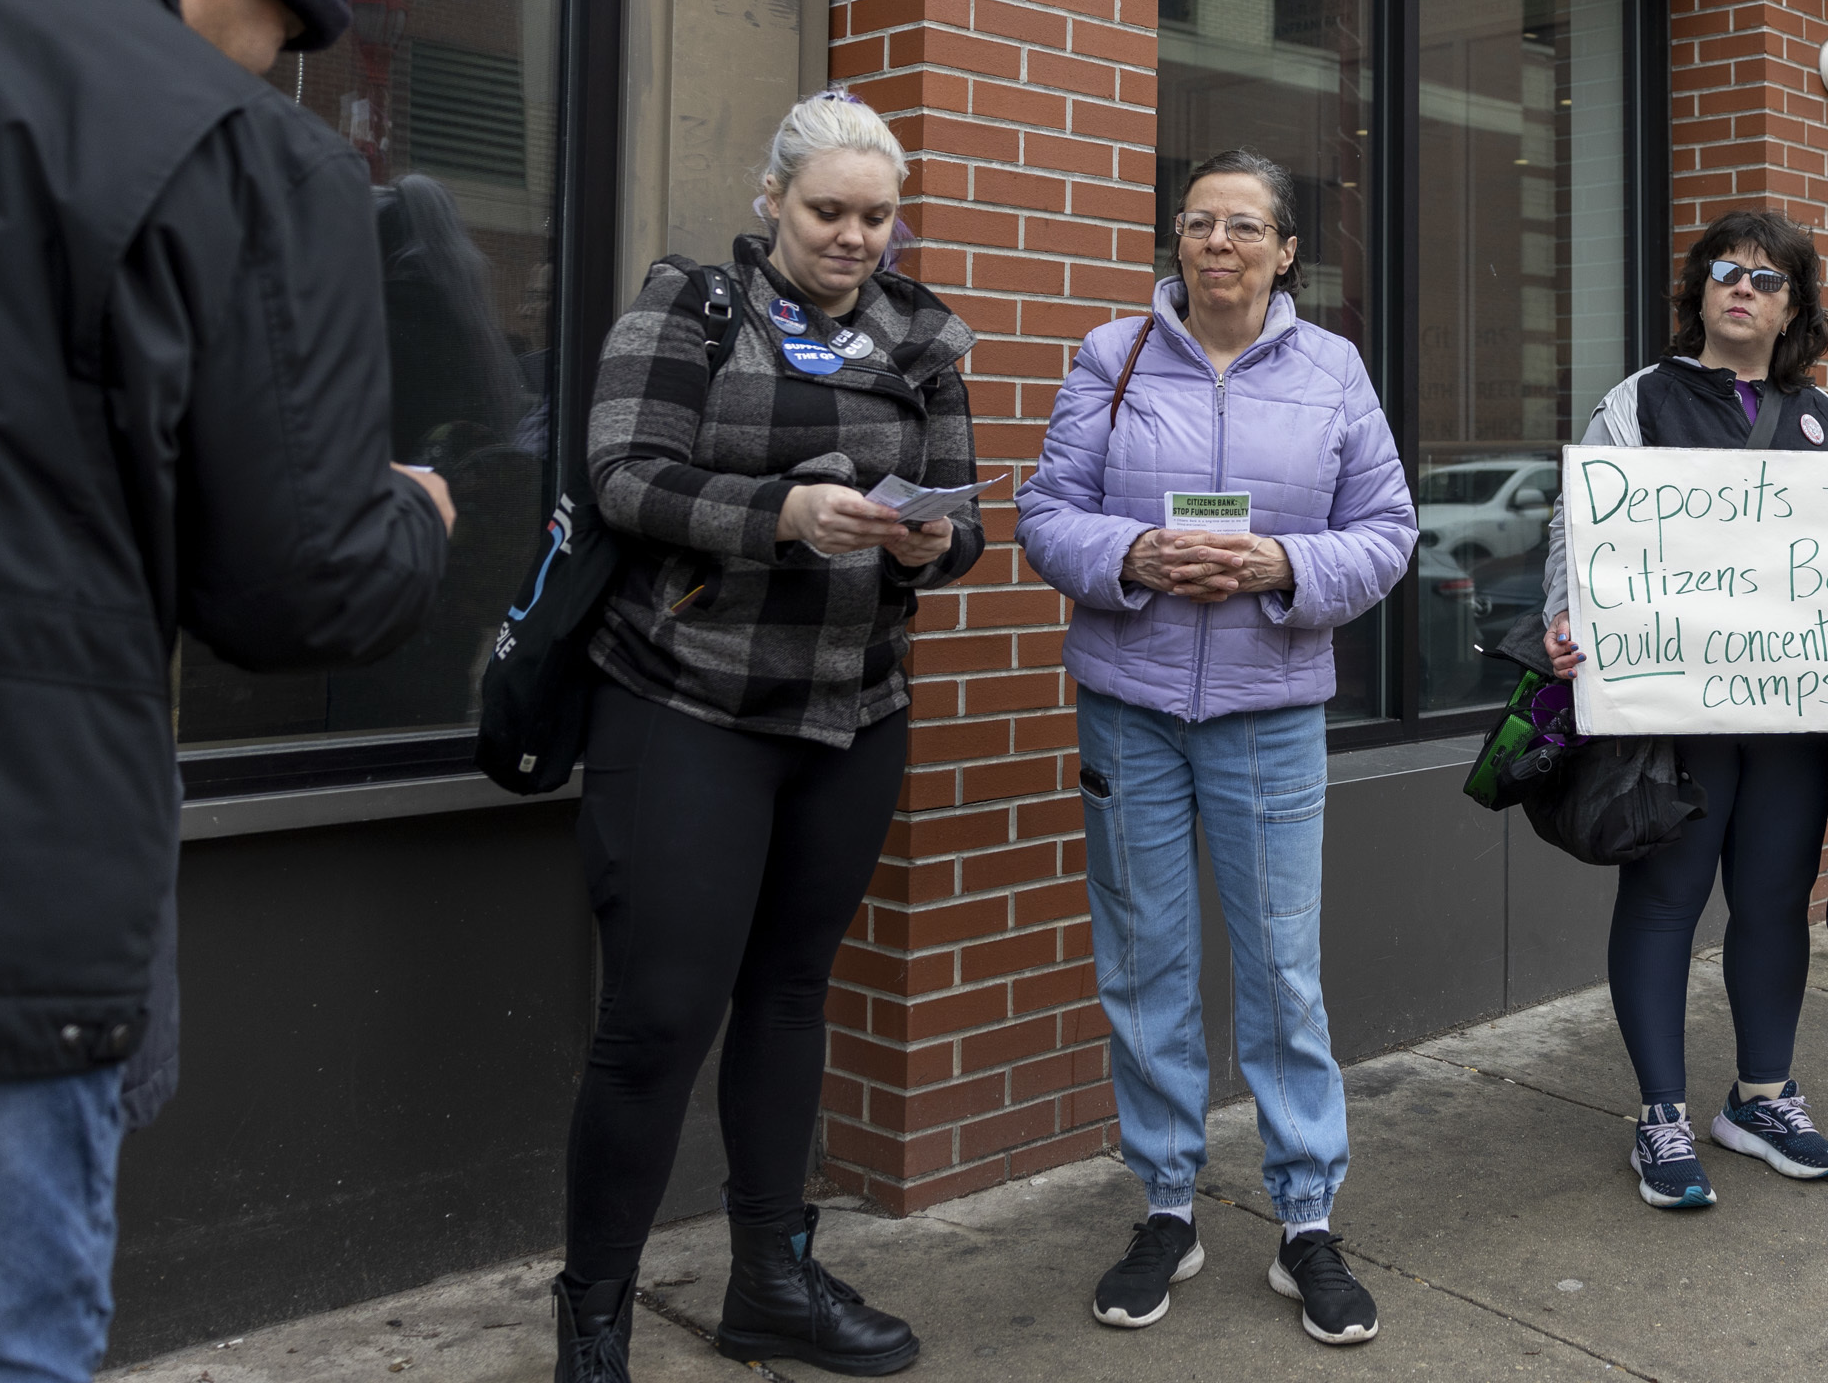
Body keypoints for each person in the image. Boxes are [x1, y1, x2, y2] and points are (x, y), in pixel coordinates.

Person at [0, 0, 456, 1382]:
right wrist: (421, 515)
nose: (283, 70)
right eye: (285, 26)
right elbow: (305, 591)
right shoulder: (228, 140)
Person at [556, 90, 984, 1380]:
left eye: (876, 215)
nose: (855, 237)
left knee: (793, 994)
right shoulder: (692, 307)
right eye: (828, 211)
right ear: (773, 202)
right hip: (687, 701)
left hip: (853, 710)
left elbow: (962, 522)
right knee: (658, 1017)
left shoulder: (920, 333)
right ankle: (594, 1313)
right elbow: (623, 473)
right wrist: (783, 516)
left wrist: (929, 538)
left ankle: (770, 1282)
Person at [1014, 149, 1415, 1348]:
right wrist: (1131, 555)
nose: (1220, 243)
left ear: (1286, 249)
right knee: (1144, 962)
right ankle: (1168, 1206)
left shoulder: (1333, 369)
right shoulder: (1112, 353)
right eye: (1199, 223)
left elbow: (1388, 531)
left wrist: (1284, 565)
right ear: (1177, 242)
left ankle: (1305, 1219)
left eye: (1246, 226)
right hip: (1129, 705)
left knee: (1283, 969)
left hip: (1269, 709)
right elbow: (1044, 512)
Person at [1540, 210, 1828, 1213]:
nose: (1742, 289)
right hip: (1677, 724)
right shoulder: (1640, 402)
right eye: (1725, 273)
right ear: (1699, 292)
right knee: (1667, 900)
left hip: (1794, 726)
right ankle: (1661, 1113)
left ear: (1793, 305)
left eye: (1766, 279)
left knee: (1773, 903)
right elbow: (1577, 525)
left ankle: (1761, 1095)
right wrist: (1563, 611)